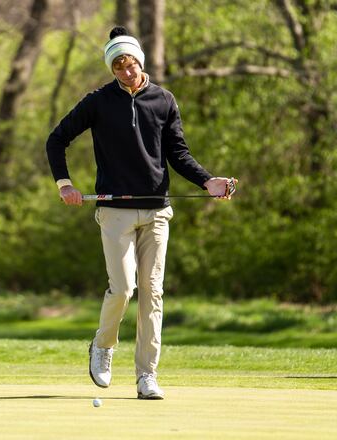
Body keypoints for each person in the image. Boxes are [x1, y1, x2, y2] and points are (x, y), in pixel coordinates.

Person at [45, 26, 234, 400]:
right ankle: (103, 345)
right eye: (118, 68)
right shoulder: (98, 102)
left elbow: (178, 154)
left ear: (140, 62)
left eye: (130, 65)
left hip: (156, 212)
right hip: (114, 211)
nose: (126, 73)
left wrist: (207, 181)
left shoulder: (163, 100)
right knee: (124, 289)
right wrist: (64, 184)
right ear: (112, 70)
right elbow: (57, 139)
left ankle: (147, 375)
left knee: (152, 292)